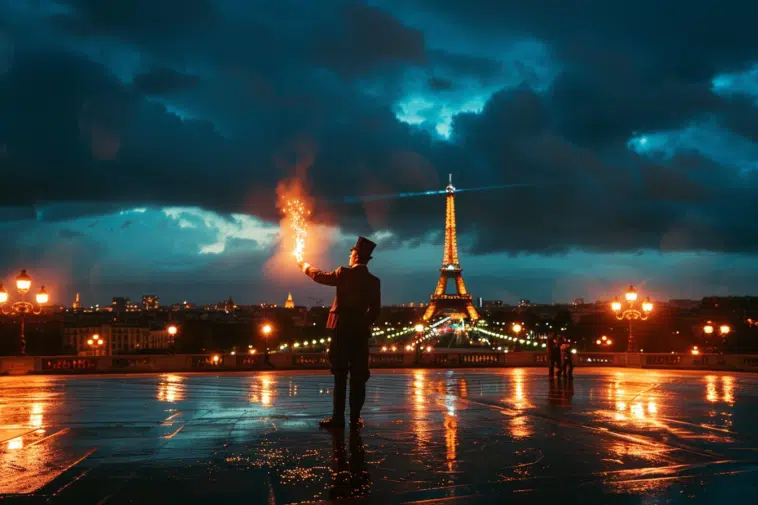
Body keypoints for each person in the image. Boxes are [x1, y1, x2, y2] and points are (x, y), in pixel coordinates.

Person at [298, 236, 381, 430]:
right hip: (360, 335)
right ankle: (355, 418)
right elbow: (375, 311)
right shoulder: (374, 281)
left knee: (340, 375)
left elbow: (319, 276)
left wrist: (303, 264)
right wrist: (361, 325)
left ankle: (338, 418)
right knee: (359, 376)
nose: (349, 255)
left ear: (356, 255)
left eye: (351, 252)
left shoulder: (343, 273)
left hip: (341, 331)